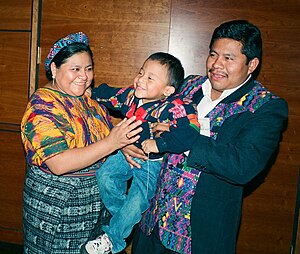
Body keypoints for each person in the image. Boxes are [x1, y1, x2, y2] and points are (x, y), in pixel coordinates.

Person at [130, 20, 288, 254]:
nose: (216, 64)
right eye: (213, 54)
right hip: (150, 226)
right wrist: (129, 143)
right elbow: (148, 114)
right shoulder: (188, 86)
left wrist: (185, 140)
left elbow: (242, 165)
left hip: (200, 237)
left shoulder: (264, 107)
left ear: (252, 64)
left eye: (229, 58)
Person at [20, 31, 142, 254]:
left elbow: (104, 135)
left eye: (88, 69)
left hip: (94, 205)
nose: (84, 76)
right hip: (58, 208)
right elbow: (59, 163)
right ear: (55, 69)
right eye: (75, 69)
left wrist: (123, 143)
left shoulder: (87, 98)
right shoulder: (42, 105)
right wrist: (112, 143)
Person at [81, 52, 200, 254]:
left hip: (151, 162)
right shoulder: (131, 96)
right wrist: (91, 93)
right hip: (126, 153)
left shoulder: (175, 106)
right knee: (105, 175)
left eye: (150, 78)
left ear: (168, 90)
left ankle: (113, 238)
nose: (140, 80)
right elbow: (111, 94)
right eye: (141, 73)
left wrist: (160, 143)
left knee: (138, 197)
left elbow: (190, 132)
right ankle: (122, 221)